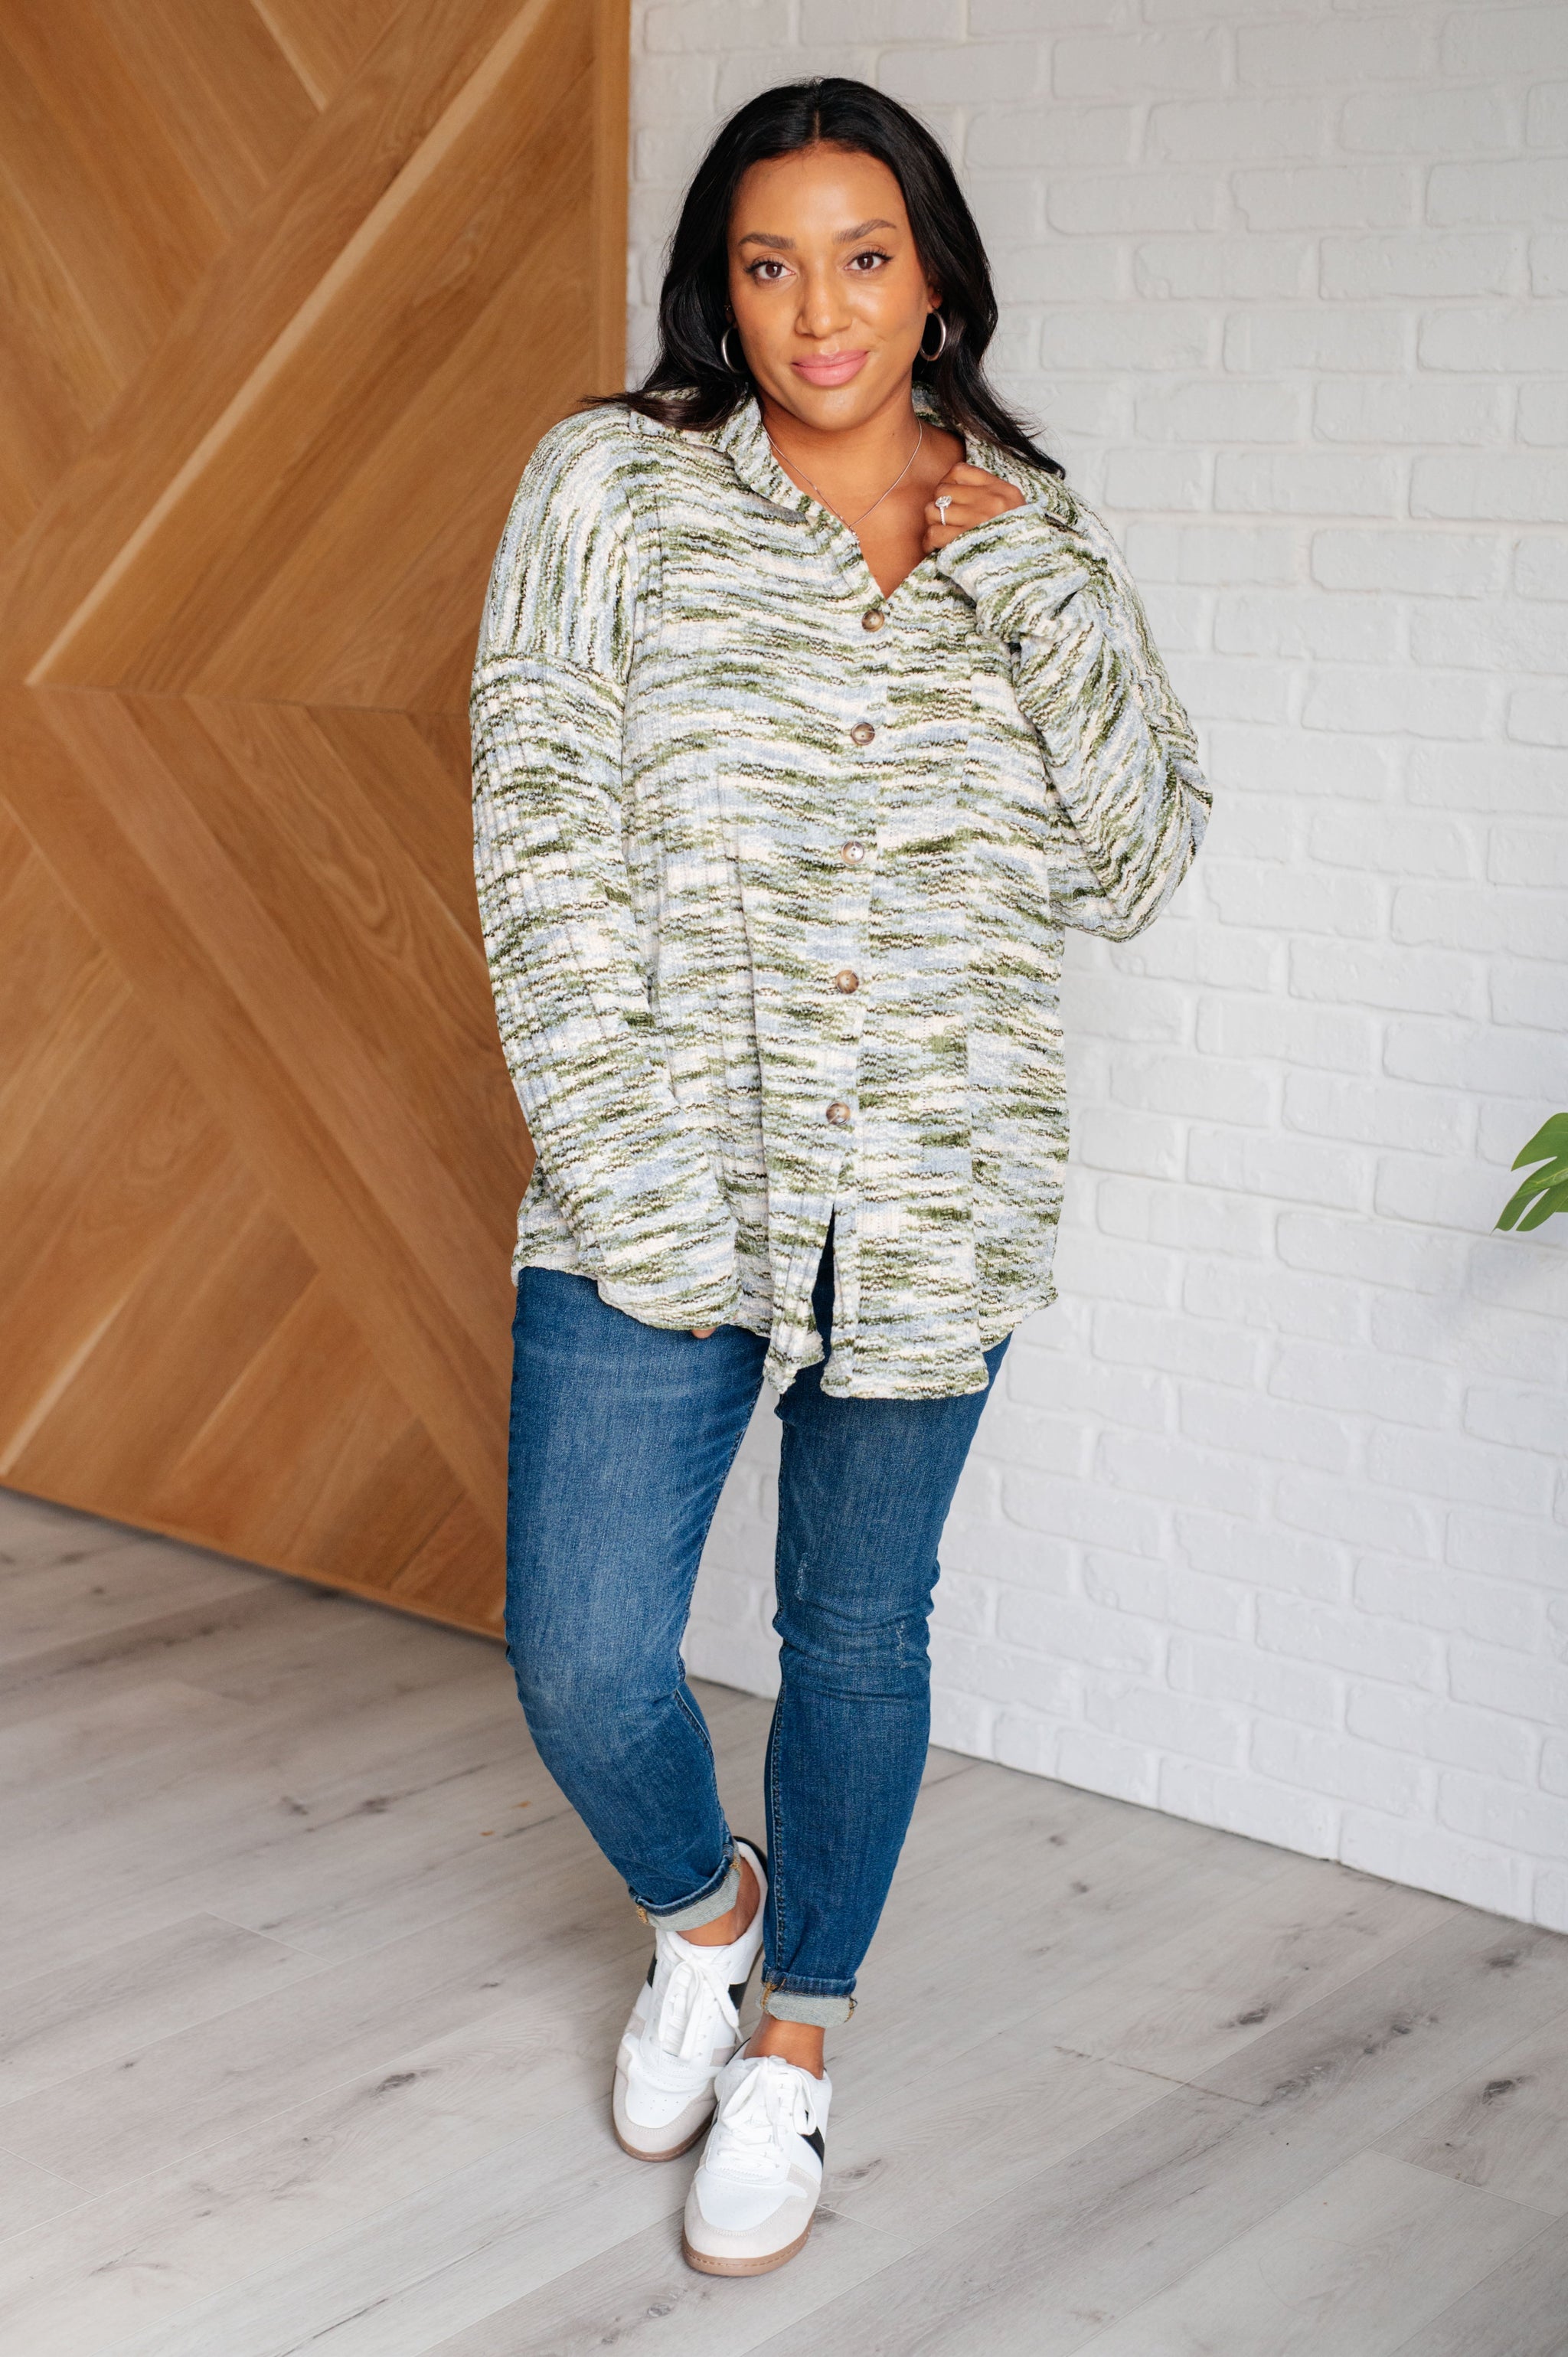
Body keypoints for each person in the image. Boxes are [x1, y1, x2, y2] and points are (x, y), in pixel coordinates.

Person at [471, 77, 1209, 2277]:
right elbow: (535, 835)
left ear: (936, 281)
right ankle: (707, 1918)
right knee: (580, 1655)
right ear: (722, 287)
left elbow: (1138, 859)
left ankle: (796, 2043)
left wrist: (1032, 577)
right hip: (657, 1186)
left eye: (864, 258)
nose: (821, 311)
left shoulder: (1033, 531)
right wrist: (626, 1176)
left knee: (858, 1639)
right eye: (771, 263)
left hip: (930, 1201)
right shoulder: (611, 485)